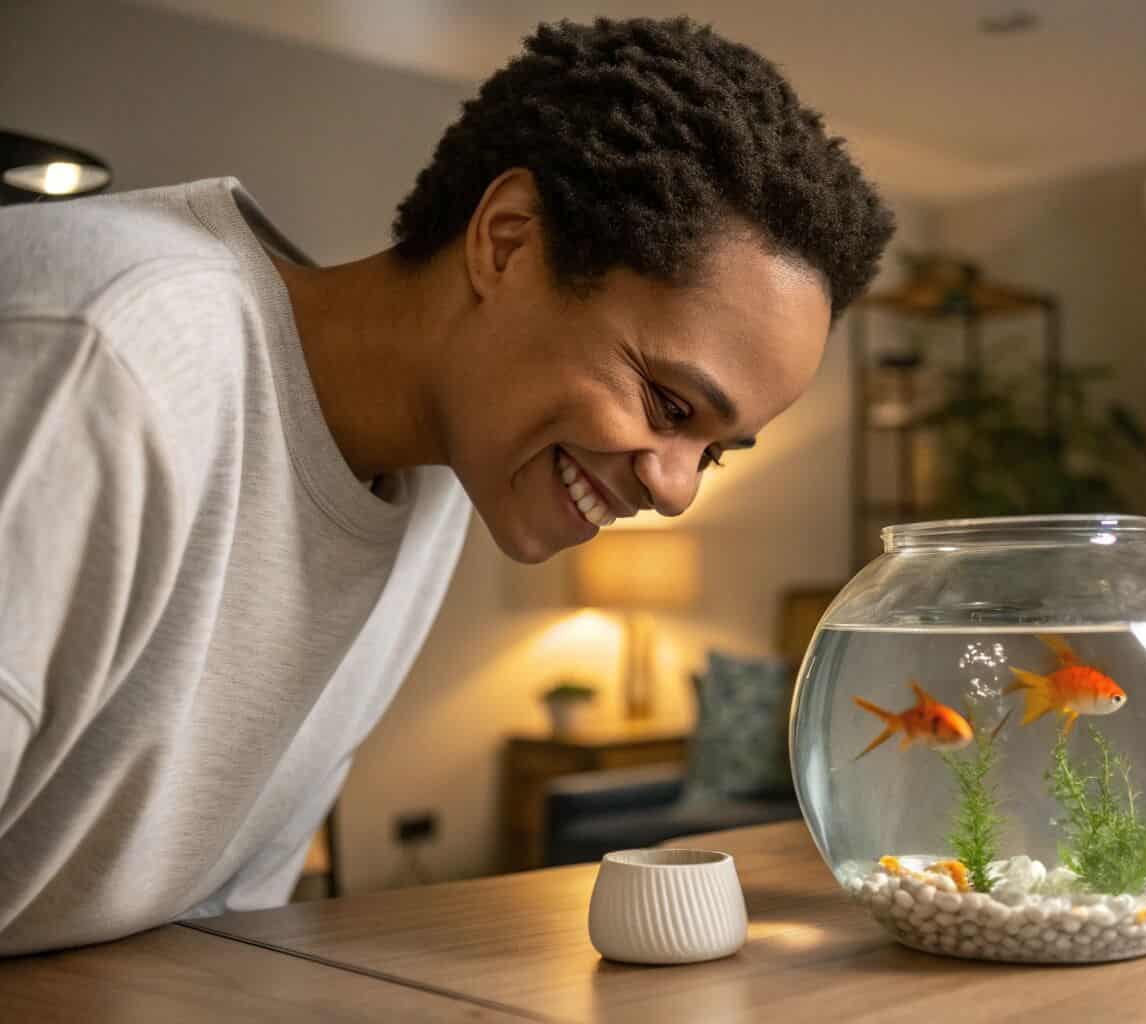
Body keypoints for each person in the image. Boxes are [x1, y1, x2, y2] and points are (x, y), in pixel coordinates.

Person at [0, 16, 893, 955]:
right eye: (668, 405)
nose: (676, 493)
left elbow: (204, 928)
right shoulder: (106, 358)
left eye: (715, 452)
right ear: (507, 243)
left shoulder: (439, 477)